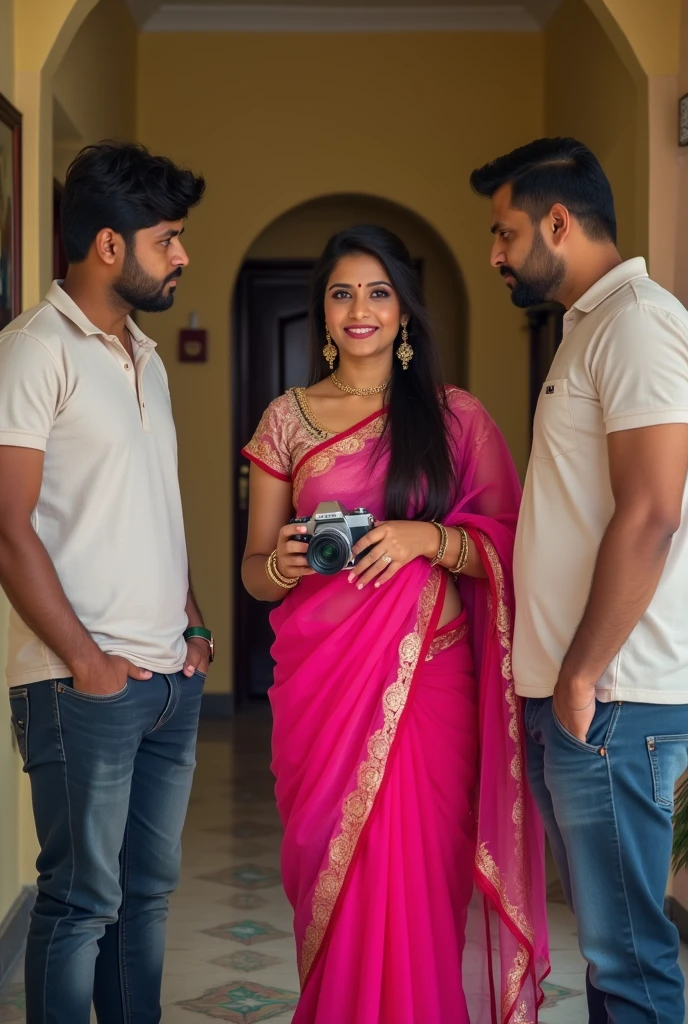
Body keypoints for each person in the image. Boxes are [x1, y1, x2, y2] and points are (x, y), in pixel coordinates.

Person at [240, 224, 549, 1024]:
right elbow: (252, 571)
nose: (360, 310)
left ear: (406, 312)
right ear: (322, 311)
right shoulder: (287, 420)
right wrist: (285, 563)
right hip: (321, 689)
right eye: (342, 293)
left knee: (417, 887)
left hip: (431, 686)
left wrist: (429, 539)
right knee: (337, 881)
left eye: (379, 293)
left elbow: (518, 548)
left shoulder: (455, 419)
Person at [471, 136, 688, 1024]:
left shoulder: (637, 320)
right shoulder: (587, 330)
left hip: (615, 698)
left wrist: (580, 675)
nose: (495, 253)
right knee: (612, 957)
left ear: (558, 222)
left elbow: (652, 512)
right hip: (592, 697)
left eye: (505, 230)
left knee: (631, 961)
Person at [0, 142, 212, 1024]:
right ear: (110, 246)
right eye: (169, 238)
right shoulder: (32, 349)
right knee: (81, 902)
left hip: (168, 678)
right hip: (80, 686)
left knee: (144, 901)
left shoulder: (147, 357)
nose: (183, 256)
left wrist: (194, 626)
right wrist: (86, 662)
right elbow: (7, 529)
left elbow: (148, 506)